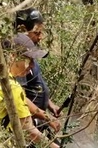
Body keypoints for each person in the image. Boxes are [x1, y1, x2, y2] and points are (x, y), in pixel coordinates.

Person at [14, 8, 62, 136]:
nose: (40, 37)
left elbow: (36, 83)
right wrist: (47, 118)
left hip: (39, 121)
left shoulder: (30, 53)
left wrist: (50, 105)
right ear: (23, 30)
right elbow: (20, 99)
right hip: (29, 126)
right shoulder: (18, 60)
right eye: (37, 33)